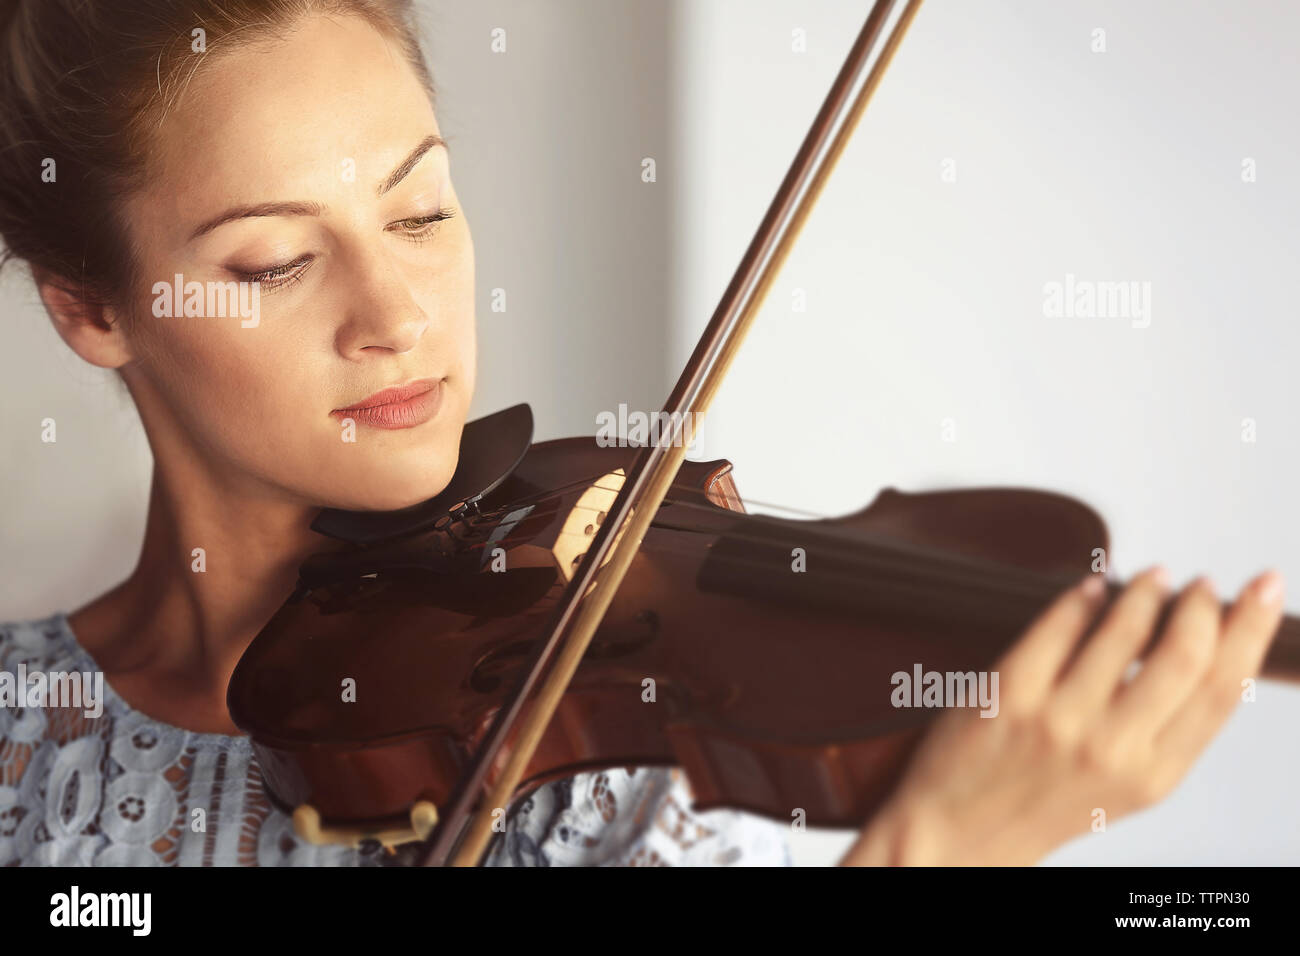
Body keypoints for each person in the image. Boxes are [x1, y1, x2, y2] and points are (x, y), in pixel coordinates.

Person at [0, 0, 1284, 867]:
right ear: (93, 306)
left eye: (421, 215)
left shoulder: (579, 751)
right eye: (277, 260)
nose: (396, 316)